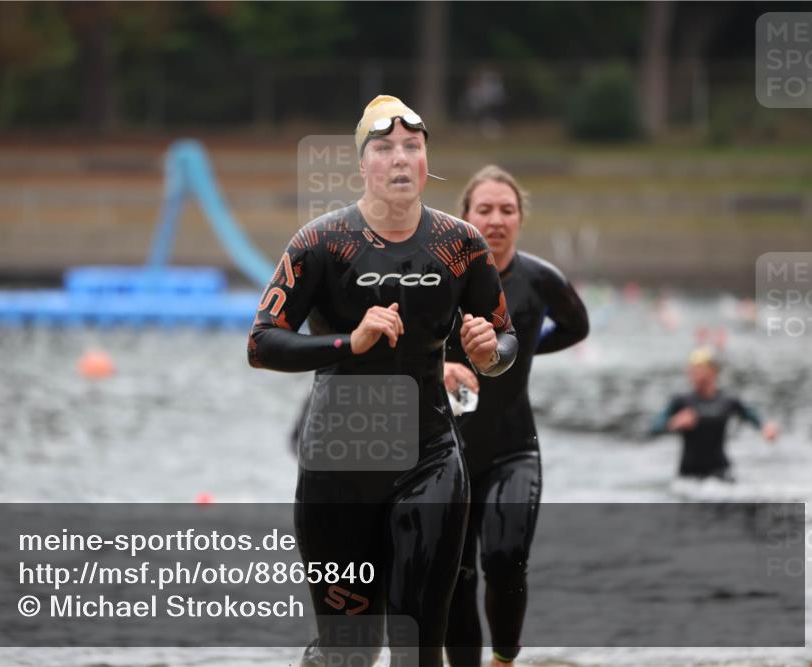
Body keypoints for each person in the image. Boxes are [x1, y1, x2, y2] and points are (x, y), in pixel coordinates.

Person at [248, 95, 519, 667]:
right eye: (384, 148)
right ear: (362, 164)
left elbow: (504, 343)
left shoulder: (461, 245)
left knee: (417, 646)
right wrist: (348, 342)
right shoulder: (320, 243)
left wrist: (490, 353)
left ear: (426, 161)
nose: (399, 158)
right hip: (338, 466)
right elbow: (262, 343)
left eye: (411, 147)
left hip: (429, 460)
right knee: (348, 652)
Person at [443, 165, 589, 667]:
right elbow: (401, 346)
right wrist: (438, 367)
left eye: (507, 210)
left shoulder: (540, 279)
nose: (496, 219)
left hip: (513, 449)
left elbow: (576, 327)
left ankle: (504, 659)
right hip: (445, 455)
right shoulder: (439, 278)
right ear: (465, 217)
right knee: (455, 575)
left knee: (506, 560)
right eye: (484, 209)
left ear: (520, 219)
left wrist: (523, 351)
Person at [649, 346, 778, 481]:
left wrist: (766, 427)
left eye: (700, 369)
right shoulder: (681, 401)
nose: (694, 374)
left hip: (720, 472)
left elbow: (753, 417)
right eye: (692, 370)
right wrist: (674, 423)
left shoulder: (728, 400)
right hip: (689, 476)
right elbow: (653, 428)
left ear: (713, 371)